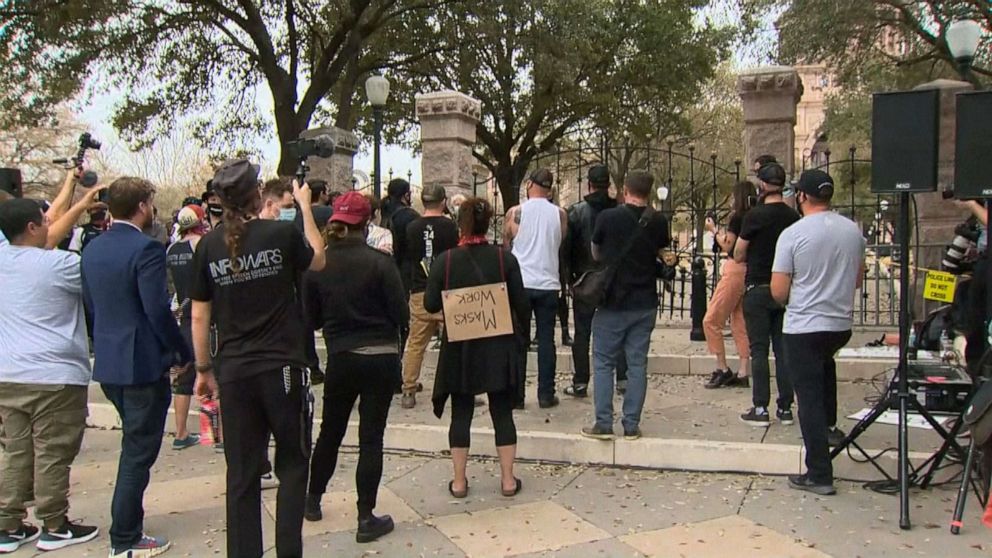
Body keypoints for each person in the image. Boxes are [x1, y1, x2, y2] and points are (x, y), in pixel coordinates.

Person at [189, 159, 325, 558]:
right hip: (281, 366)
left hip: (234, 372)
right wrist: (303, 206)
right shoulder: (281, 234)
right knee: (294, 463)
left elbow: (200, 312)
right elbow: (318, 258)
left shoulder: (209, 245)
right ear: (257, 195)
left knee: (243, 475)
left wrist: (203, 368)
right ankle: (288, 551)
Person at [82, 177, 192, 557]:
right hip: (142, 363)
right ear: (143, 206)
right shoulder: (146, 249)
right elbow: (156, 310)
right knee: (137, 453)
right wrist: (180, 351)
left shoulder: (93, 249)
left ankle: (128, 526)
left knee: (134, 446)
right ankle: (125, 538)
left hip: (111, 360)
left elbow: (91, 306)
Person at [0, 191, 107, 554]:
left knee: (15, 451)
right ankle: (54, 523)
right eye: (45, 220)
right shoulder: (62, 265)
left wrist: (74, 200)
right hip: (55, 374)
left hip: (8, 373)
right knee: (53, 452)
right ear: (31, 227)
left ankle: (9, 524)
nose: (51, 225)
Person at [302, 192, 407, 542]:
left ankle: (313, 500)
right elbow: (401, 314)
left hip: (342, 356)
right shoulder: (380, 262)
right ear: (367, 223)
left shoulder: (320, 265)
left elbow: (311, 318)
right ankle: (365, 516)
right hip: (379, 355)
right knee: (371, 437)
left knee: (330, 430)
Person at [424, 197, 527, 498]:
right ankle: (508, 480)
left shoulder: (445, 261)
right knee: (502, 412)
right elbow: (522, 304)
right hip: (498, 345)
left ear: (460, 223)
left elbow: (430, 303)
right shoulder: (504, 259)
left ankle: (459, 481)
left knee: (461, 412)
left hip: (461, 346)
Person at [771, 169, 865, 495]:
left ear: (802, 196)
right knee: (825, 372)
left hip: (804, 324)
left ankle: (819, 472)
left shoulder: (793, 234)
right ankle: (830, 427)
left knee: (807, 397)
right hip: (839, 323)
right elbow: (857, 279)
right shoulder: (853, 231)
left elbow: (779, 291)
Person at [580, 171, 670, 441]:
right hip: (644, 301)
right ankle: (631, 424)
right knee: (637, 364)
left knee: (604, 361)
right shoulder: (657, 221)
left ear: (624, 189)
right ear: (649, 192)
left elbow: (595, 252)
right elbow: (663, 255)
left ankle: (604, 422)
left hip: (613, 301)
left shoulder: (608, 217)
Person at [733, 161, 800, 427]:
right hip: (784, 288)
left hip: (758, 286)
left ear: (762, 185)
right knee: (783, 350)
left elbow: (738, 252)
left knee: (759, 349)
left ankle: (760, 407)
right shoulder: (793, 217)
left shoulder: (754, 216)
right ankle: (785, 407)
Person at [562, 164, 628, 398]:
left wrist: (569, 278)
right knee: (618, 331)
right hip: (614, 278)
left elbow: (566, 249)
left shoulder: (576, 212)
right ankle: (622, 378)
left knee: (582, 333)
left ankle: (580, 382)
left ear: (589, 184)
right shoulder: (621, 212)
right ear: (608, 184)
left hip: (585, 278)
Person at [504, 169, 567, 408]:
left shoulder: (515, 213)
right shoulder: (560, 214)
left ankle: (517, 396)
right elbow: (560, 243)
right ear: (550, 188)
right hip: (548, 283)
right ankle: (546, 394)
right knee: (546, 340)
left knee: (518, 340)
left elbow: (507, 246)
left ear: (529, 184)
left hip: (521, 283)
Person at [400, 184, 460, 409]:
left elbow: (406, 257)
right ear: (443, 201)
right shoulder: (450, 227)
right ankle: (460, 387)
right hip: (446, 291)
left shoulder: (411, 227)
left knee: (416, 343)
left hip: (420, 290)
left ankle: (408, 389)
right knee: (456, 342)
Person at [165, 204, 209, 450]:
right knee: (211, 372)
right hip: (202, 315)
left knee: (183, 377)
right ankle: (216, 432)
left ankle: (180, 432)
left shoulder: (172, 248)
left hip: (182, 317)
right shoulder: (200, 244)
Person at [702, 181, 753, 389]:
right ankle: (743, 370)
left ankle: (722, 367)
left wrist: (713, 230)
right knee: (739, 321)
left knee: (711, 319)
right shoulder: (754, 216)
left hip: (735, 269)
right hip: (749, 269)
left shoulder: (737, 218)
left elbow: (728, 245)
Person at [382, 178, 420, 290]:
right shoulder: (411, 216)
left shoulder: (384, 212)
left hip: (387, 266)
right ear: (406, 195)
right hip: (406, 270)